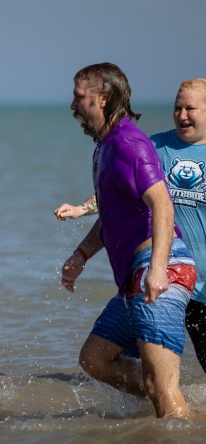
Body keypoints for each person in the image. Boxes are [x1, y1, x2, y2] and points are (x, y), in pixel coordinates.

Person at [58, 63, 197, 418]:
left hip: (158, 269)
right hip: (134, 278)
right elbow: (112, 217)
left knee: (159, 387)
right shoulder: (104, 147)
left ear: (102, 98)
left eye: (79, 98)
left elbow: (162, 204)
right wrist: (82, 253)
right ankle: (175, 406)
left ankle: (173, 406)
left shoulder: (129, 143)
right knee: (95, 359)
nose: (73, 106)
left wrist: (157, 269)